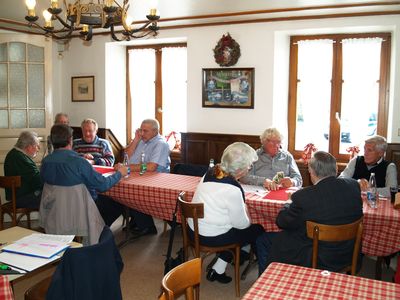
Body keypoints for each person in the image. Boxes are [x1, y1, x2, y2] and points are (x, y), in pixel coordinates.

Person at [256, 151, 363, 275]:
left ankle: (266, 282)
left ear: (311, 171)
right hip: (349, 251)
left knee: (264, 240)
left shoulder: (304, 196)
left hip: (317, 256)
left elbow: (282, 222)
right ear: (336, 168)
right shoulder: (354, 186)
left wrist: (289, 201)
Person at [189, 142, 264, 284]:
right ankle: (255, 267)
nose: (249, 168)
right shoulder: (233, 189)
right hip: (211, 237)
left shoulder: (211, 172)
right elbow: (242, 225)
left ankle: (220, 267)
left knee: (234, 229)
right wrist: (247, 211)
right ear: (241, 169)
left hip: (194, 230)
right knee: (257, 229)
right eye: (249, 166)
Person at [41, 124, 129, 226]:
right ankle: (97, 229)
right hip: (81, 208)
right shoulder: (80, 162)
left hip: (55, 208)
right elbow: (102, 185)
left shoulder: (45, 162)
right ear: (70, 140)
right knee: (117, 203)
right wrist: (119, 174)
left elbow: (44, 184)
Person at [124, 118, 171, 237]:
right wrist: (135, 140)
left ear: (155, 131)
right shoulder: (141, 140)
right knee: (117, 188)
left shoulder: (161, 144)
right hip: (139, 176)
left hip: (157, 179)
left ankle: (146, 225)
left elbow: (151, 167)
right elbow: (126, 157)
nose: (142, 133)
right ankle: (138, 221)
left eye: (145, 131)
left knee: (132, 191)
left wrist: (128, 168)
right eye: (140, 130)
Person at [4, 131, 43, 209]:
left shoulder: (14, 154)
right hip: (22, 198)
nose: (38, 149)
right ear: (29, 147)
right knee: (54, 197)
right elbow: (37, 181)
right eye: (37, 146)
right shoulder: (20, 158)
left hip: (19, 196)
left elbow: (31, 175)